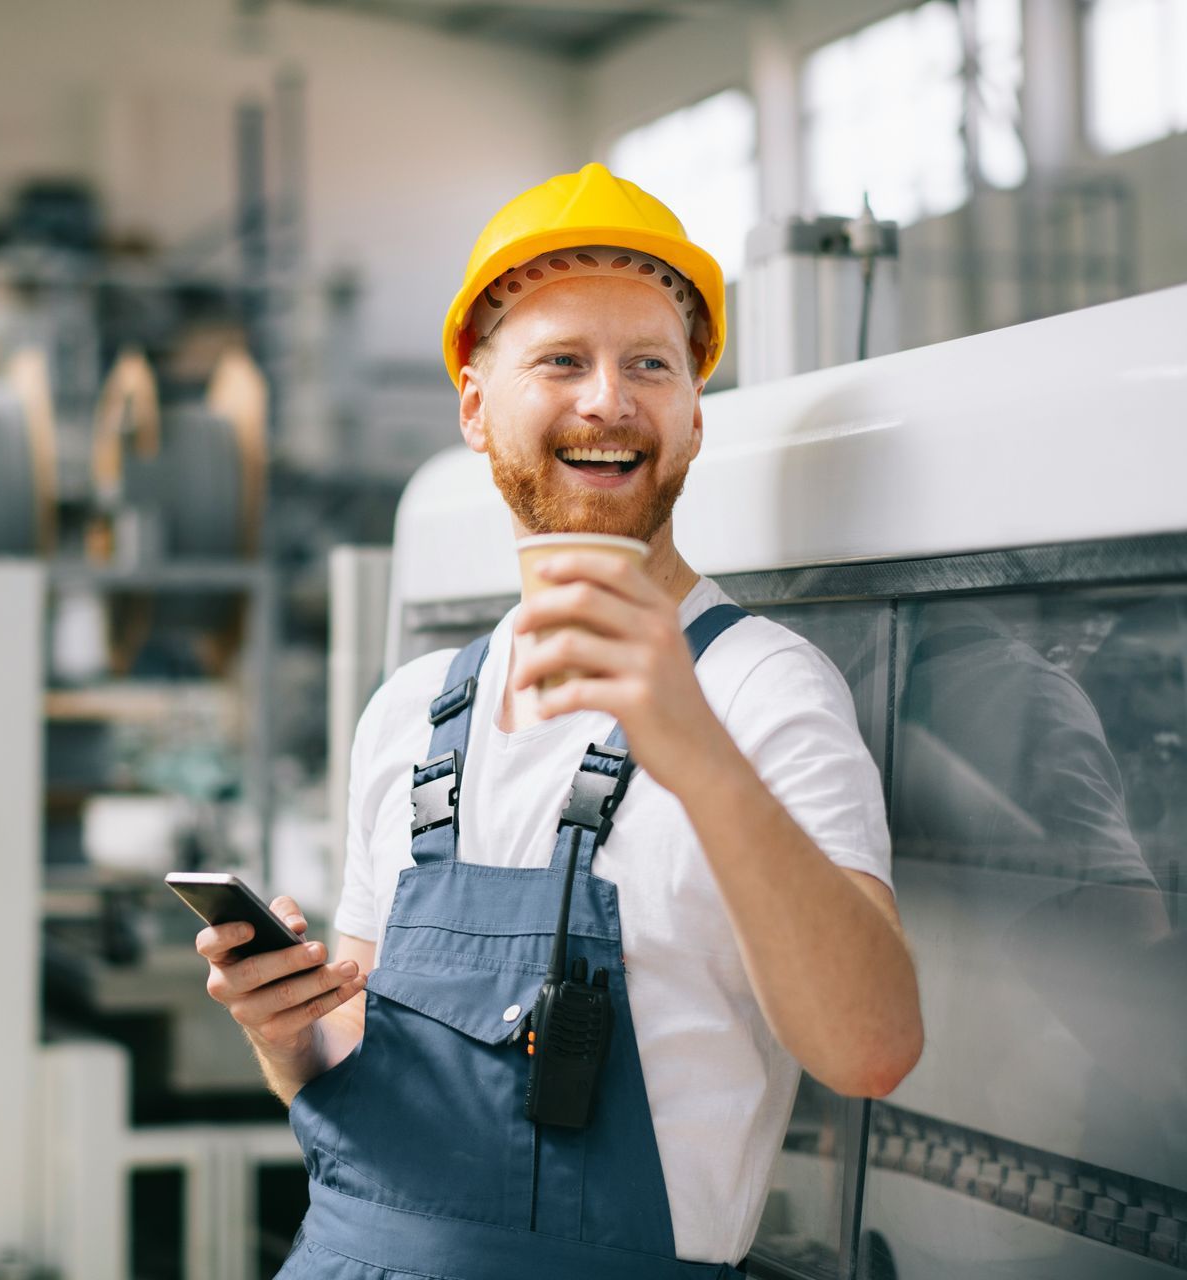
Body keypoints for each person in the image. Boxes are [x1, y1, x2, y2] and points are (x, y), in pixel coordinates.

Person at [195, 163, 923, 1277]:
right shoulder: (410, 714)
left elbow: (870, 1048)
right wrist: (283, 1026)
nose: (607, 401)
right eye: (562, 361)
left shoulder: (763, 689)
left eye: (650, 365)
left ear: (690, 413)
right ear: (478, 408)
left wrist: (694, 750)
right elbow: (355, 1063)